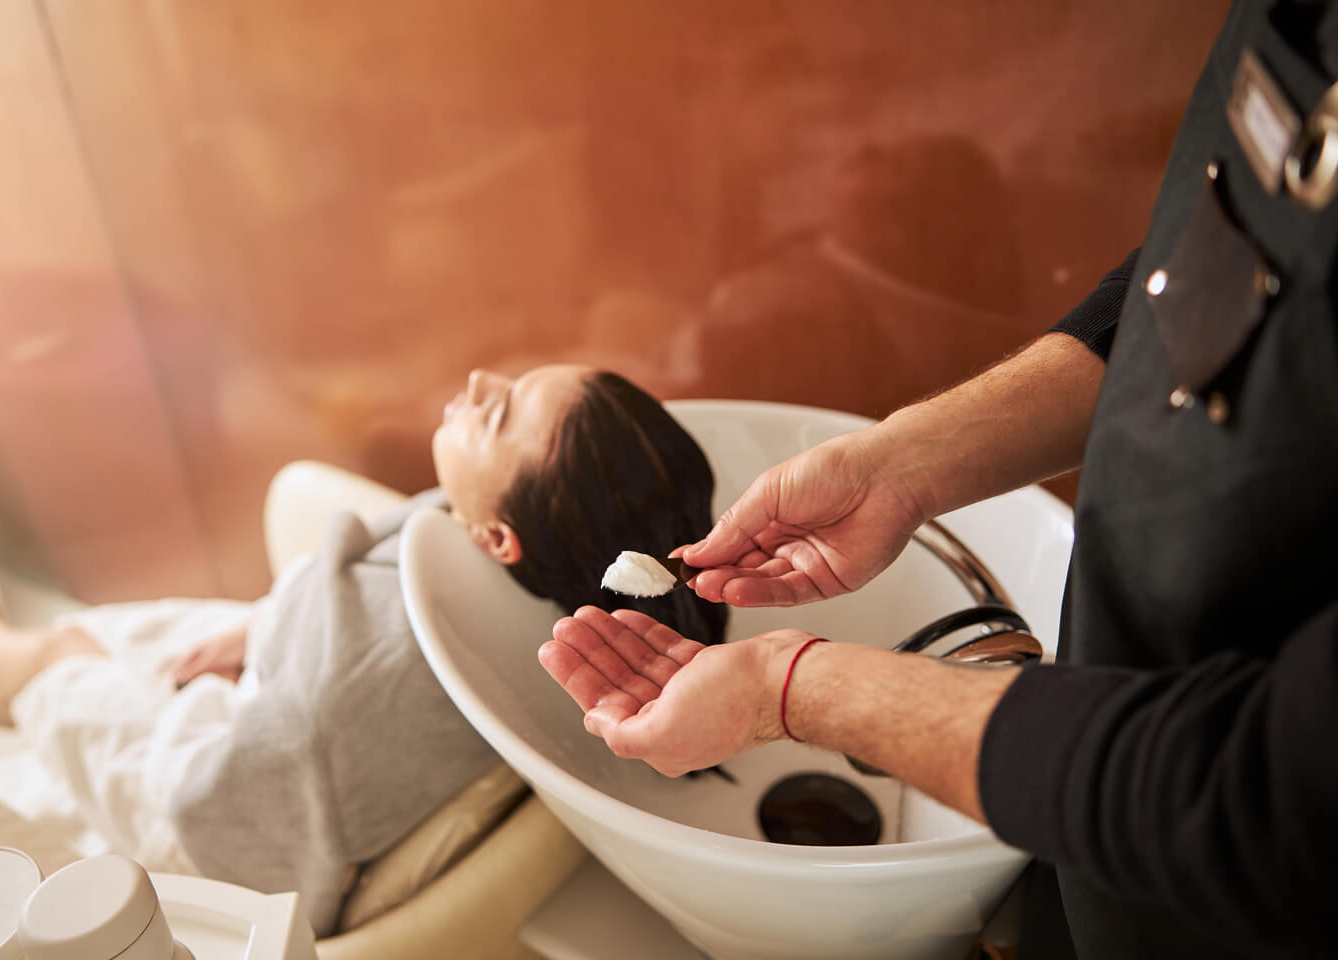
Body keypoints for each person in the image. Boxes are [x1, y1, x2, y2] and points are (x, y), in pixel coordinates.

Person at [539, 3, 1338, 956]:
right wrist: (905, 462)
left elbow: (1265, 791)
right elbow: (1208, 253)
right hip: (1087, 828)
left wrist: (788, 691)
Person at [0, 364, 727, 938]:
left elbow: (226, 794)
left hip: (204, 796)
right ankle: (35, 653)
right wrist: (262, 630)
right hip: (278, 667)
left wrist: (231, 700)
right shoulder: (546, 571)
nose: (478, 383)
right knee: (143, 637)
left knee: (63, 652)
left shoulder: (364, 683)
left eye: (499, 412)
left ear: (498, 538)